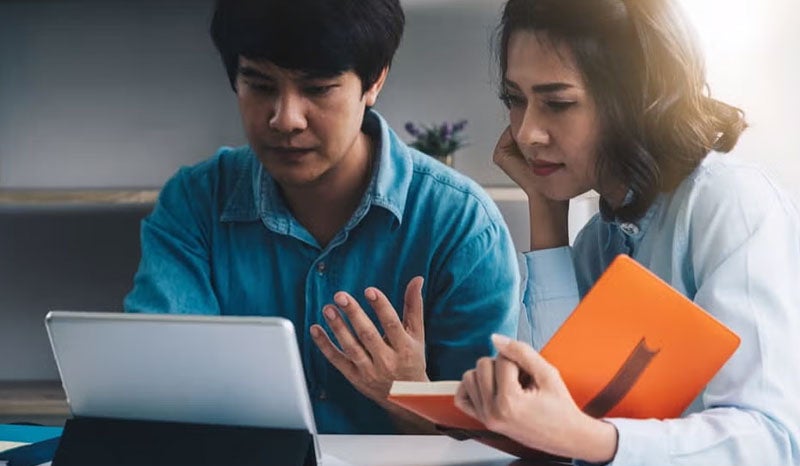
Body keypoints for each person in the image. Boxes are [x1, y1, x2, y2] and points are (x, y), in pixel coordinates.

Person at [123, 0, 520, 435]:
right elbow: (163, 398)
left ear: (374, 82)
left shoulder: (462, 225)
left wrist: (411, 396)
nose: (285, 119)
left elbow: (486, 446)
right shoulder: (194, 203)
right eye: (259, 85)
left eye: (317, 89)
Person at [454, 0, 800, 464]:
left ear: (638, 103)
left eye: (558, 103)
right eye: (515, 100)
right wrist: (546, 209)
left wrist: (589, 439)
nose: (527, 133)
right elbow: (550, 413)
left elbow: (772, 441)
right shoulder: (602, 237)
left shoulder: (728, 203)